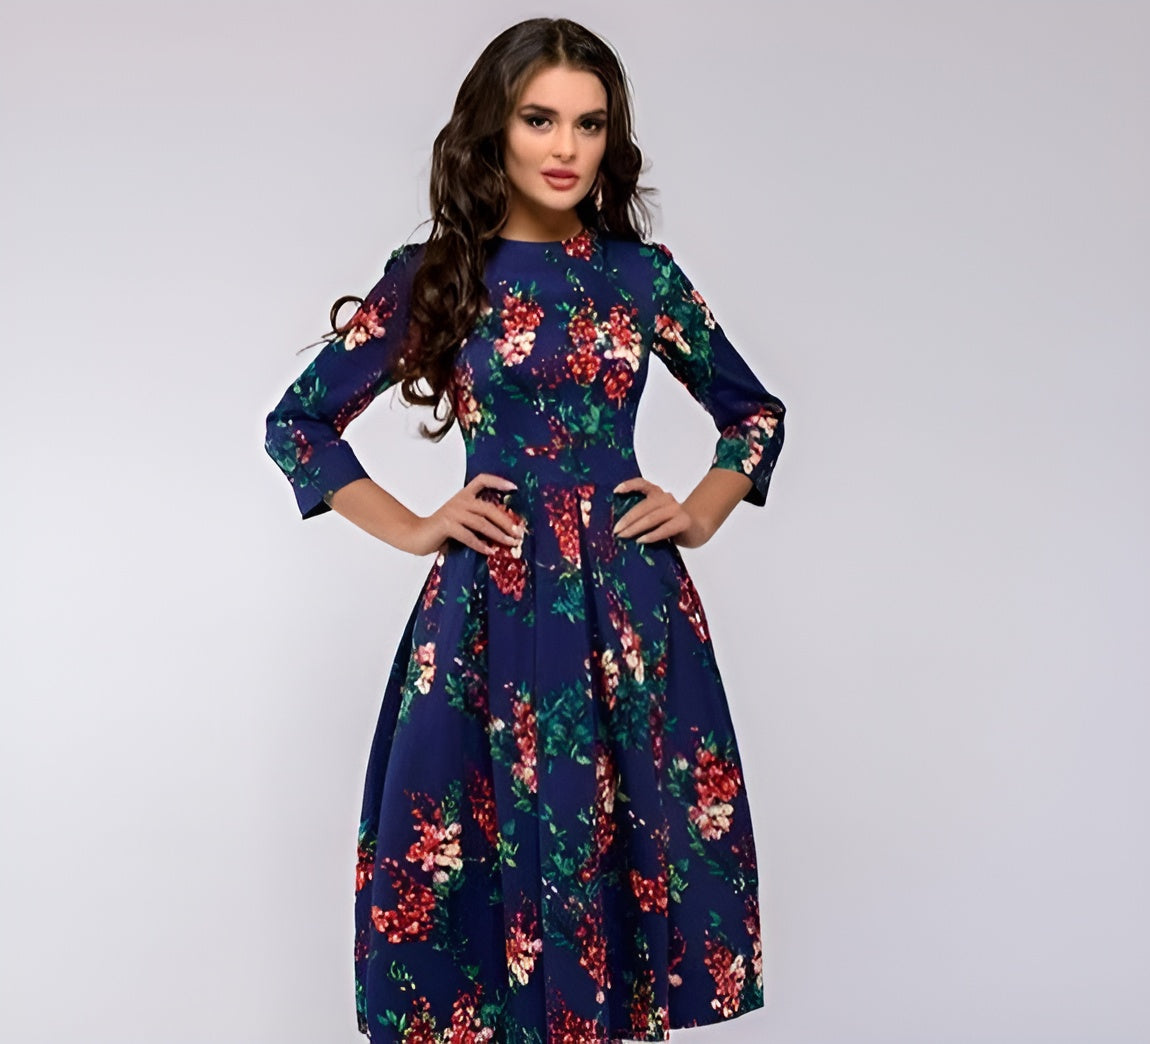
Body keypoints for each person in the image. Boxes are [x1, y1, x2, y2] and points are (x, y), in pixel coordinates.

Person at [263, 16, 787, 1043]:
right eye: (539, 119)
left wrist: (699, 510)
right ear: (492, 130)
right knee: (470, 866)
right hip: (487, 607)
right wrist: (415, 527)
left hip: (625, 613)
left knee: (613, 860)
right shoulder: (435, 274)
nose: (565, 148)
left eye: (589, 124)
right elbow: (298, 423)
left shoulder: (641, 277)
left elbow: (754, 415)